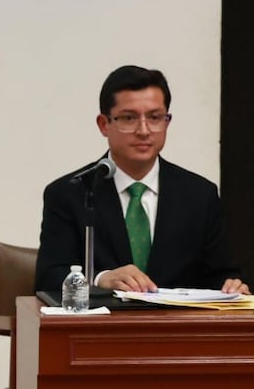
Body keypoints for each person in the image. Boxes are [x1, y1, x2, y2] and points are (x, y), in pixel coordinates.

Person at [35, 65, 247, 294]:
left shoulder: (199, 194)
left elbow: (220, 275)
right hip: (103, 327)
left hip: (176, 327)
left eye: (155, 117)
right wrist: (101, 279)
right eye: (129, 118)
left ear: (167, 121)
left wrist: (231, 286)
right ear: (104, 124)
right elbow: (49, 277)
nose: (144, 130)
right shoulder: (72, 192)